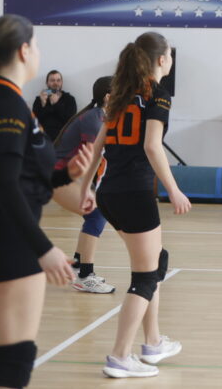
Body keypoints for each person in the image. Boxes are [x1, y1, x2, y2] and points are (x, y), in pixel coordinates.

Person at [0, 14, 93, 389]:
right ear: (24, 50)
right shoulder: (7, 103)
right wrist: (44, 249)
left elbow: (17, 179)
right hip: (6, 238)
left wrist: (65, 176)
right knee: (13, 361)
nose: (38, 52)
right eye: (36, 45)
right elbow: (6, 185)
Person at [79, 32, 191, 379]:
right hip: (134, 192)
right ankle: (119, 356)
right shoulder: (157, 94)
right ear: (161, 60)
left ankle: (153, 342)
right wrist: (174, 189)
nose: (171, 61)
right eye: (169, 55)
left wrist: (87, 187)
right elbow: (152, 146)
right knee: (144, 277)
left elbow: (98, 145)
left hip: (110, 192)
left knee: (155, 262)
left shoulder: (120, 93)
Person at [52, 76, 115, 294]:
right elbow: (92, 157)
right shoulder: (94, 119)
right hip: (56, 176)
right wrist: (90, 189)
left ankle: (78, 265)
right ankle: (86, 276)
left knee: (95, 214)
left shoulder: (101, 116)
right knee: (96, 214)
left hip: (67, 176)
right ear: (108, 97)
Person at [31, 69, 77, 141]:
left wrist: (56, 104)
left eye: (58, 80)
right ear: (47, 83)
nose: (55, 83)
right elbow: (34, 123)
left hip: (63, 138)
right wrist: (43, 104)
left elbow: (70, 121)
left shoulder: (69, 99)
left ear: (61, 83)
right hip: (42, 138)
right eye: (52, 80)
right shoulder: (39, 99)